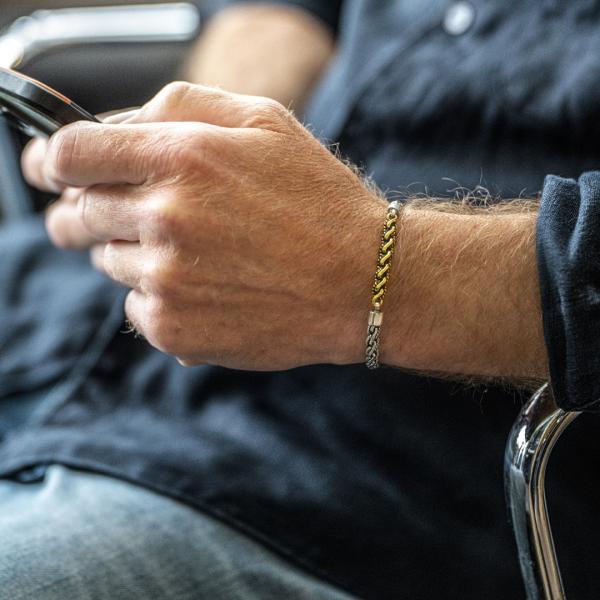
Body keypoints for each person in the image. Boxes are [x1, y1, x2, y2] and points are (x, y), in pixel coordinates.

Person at [1, 1, 600, 598]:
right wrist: (207, 154)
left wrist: (371, 267)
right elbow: (280, 12)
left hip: (387, 481)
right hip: (78, 314)